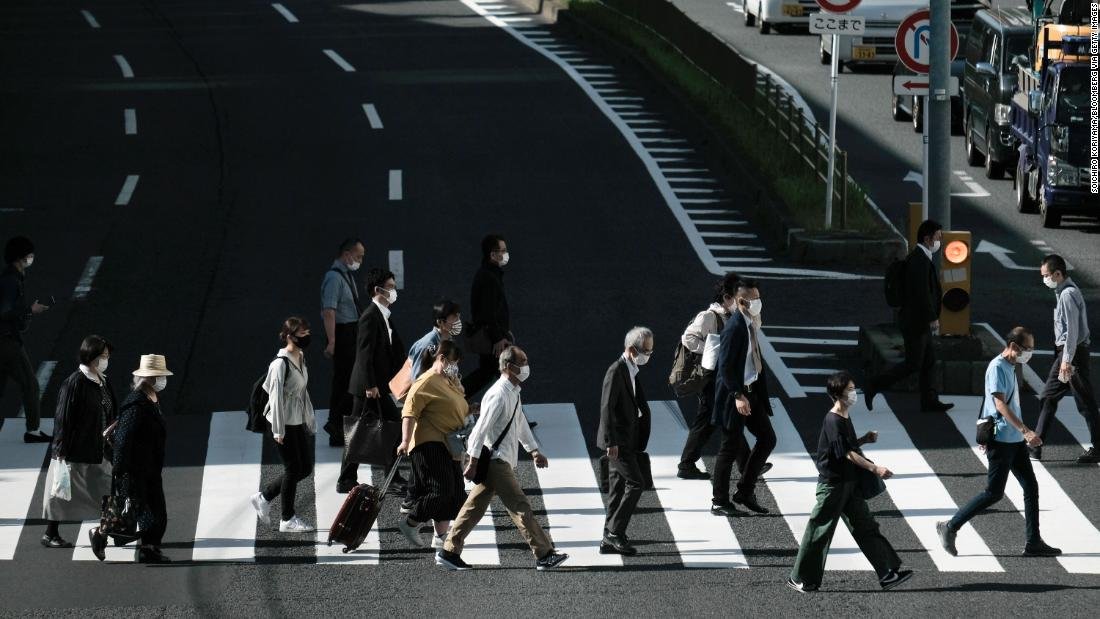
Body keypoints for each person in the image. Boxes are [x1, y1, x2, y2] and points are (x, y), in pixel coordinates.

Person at [436, 346, 568, 571]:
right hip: (496, 462)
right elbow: (480, 429)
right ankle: (544, 554)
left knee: (473, 508)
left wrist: (534, 450)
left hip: (500, 459)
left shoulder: (512, 392)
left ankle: (449, 550)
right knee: (520, 507)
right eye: (522, 361)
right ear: (508, 367)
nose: (526, 366)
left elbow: (520, 423)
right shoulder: (498, 394)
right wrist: (473, 461)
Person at [937, 327, 1063, 559]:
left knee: (1030, 487)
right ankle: (950, 526)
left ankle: (1033, 541)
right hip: (1002, 439)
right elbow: (999, 405)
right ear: (1014, 346)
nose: (1030, 353)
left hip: (1013, 440)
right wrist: (1026, 431)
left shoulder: (1011, 366)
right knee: (994, 493)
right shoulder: (997, 367)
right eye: (1027, 349)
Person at [787, 371, 911, 593]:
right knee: (819, 531)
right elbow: (846, 453)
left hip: (849, 483)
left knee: (866, 527)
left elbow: (847, 445)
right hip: (833, 485)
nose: (854, 393)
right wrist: (875, 468)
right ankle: (800, 577)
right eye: (850, 390)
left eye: (853, 388)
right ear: (838, 394)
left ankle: (887, 573)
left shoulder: (844, 416)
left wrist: (864, 439)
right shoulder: (833, 419)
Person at [677, 274, 773, 482]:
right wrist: (713, 351)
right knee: (712, 422)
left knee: (721, 423)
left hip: (726, 379)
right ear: (728, 297)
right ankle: (688, 464)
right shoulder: (709, 316)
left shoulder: (739, 316)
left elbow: (755, 328)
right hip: (712, 379)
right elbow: (688, 338)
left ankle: (744, 464)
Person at [89, 354, 172, 563]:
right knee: (131, 514)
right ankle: (100, 533)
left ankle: (149, 549)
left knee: (153, 511)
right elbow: (124, 439)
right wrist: (119, 469)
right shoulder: (136, 404)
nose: (163, 381)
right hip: (133, 469)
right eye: (160, 377)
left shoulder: (150, 399)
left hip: (148, 467)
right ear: (151, 380)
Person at [865, 220, 954, 413]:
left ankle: (929, 400)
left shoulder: (922, 258)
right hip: (915, 322)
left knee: (929, 361)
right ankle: (874, 384)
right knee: (913, 364)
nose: (940, 241)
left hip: (917, 320)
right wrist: (932, 317)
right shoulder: (919, 260)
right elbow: (921, 293)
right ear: (927, 238)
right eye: (938, 237)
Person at [41, 335, 117, 548]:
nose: (106, 359)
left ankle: (109, 529)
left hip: (100, 445)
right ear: (91, 357)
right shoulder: (75, 383)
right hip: (78, 448)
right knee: (61, 491)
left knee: (108, 486)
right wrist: (60, 453)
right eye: (103, 356)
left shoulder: (103, 380)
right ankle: (50, 533)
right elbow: (63, 420)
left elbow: (112, 410)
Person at [396, 341, 470, 550]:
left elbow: (456, 404)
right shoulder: (425, 382)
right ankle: (411, 522)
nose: (455, 367)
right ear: (442, 358)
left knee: (455, 492)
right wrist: (404, 441)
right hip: (429, 442)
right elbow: (409, 413)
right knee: (441, 489)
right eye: (453, 362)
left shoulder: (448, 380)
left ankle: (441, 536)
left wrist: (468, 408)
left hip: (450, 444)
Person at [711, 279, 776, 517]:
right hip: (735, 397)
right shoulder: (734, 328)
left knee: (767, 439)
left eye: (759, 298)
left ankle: (745, 491)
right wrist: (738, 395)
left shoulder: (748, 322)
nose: (758, 303)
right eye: (753, 299)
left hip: (751, 392)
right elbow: (725, 367)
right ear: (740, 301)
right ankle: (719, 501)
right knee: (728, 449)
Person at [338, 268, 406, 493]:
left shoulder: (385, 314)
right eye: (391, 287)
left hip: (377, 385)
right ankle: (391, 478)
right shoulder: (370, 316)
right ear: (379, 290)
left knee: (361, 431)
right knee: (392, 427)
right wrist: (370, 385)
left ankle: (347, 479)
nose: (394, 291)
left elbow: (394, 350)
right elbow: (364, 353)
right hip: (368, 387)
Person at [250, 317, 318, 533]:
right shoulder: (280, 364)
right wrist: (278, 430)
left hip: (296, 419)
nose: (306, 337)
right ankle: (287, 519)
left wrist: (309, 417)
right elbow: (276, 397)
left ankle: (264, 496)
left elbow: (302, 391)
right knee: (293, 468)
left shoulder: (300, 356)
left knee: (305, 467)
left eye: (307, 333)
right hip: (281, 423)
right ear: (290, 336)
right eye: (302, 335)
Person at [1033, 255, 1099, 464]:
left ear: (1058, 274)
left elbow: (1073, 332)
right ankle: (1036, 445)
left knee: (1085, 403)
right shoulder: (1061, 292)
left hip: (1073, 354)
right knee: (1048, 396)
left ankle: (1098, 448)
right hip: (1066, 354)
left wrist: (1066, 360)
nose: (1045, 279)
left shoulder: (1068, 294)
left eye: (1046, 275)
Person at [596, 327, 654, 556]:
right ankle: (615, 533)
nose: (648, 355)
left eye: (650, 350)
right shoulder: (616, 371)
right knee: (636, 483)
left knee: (617, 489)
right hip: (618, 441)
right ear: (631, 350)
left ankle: (607, 539)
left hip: (628, 438)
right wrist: (610, 442)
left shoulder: (631, 368)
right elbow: (606, 408)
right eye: (645, 351)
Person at [0, 235, 52, 443]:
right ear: (20, 258)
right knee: (30, 384)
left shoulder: (10, 278)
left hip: (5, 340)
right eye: (29, 255)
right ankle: (32, 431)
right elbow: (5, 311)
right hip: (7, 342)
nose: (31, 258)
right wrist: (30, 309)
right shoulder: (11, 281)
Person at [320, 238, 366, 447]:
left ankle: (338, 429)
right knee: (348, 382)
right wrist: (332, 341)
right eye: (358, 256)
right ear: (346, 255)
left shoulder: (344, 275)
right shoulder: (334, 278)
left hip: (351, 331)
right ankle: (335, 424)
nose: (360, 260)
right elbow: (329, 311)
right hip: (343, 333)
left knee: (346, 381)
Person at [462, 234, 513, 399]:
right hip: (493, 339)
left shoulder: (490, 274)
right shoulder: (489, 278)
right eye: (503, 250)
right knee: (502, 377)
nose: (506, 254)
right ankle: (517, 418)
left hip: (492, 336)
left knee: (488, 374)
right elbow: (488, 313)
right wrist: (498, 338)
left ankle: (452, 400)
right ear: (492, 254)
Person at [408, 299, 463, 381]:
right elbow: (417, 380)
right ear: (440, 322)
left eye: (459, 316)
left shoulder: (448, 341)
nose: (458, 321)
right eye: (454, 317)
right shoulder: (427, 344)